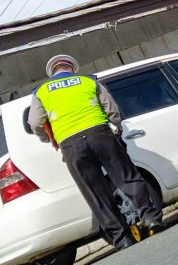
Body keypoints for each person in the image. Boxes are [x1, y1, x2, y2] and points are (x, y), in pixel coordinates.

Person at [28, 54, 163, 250]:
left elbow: (34, 123)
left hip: (70, 143)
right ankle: (151, 219)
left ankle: (122, 238)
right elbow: (112, 109)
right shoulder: (88, 81)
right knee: (127, 177)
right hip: (100, 133)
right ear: (72, 69)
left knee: (96, 192)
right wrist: (116, 128)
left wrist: (49, 138)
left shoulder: (40, 92)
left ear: (52, 73)